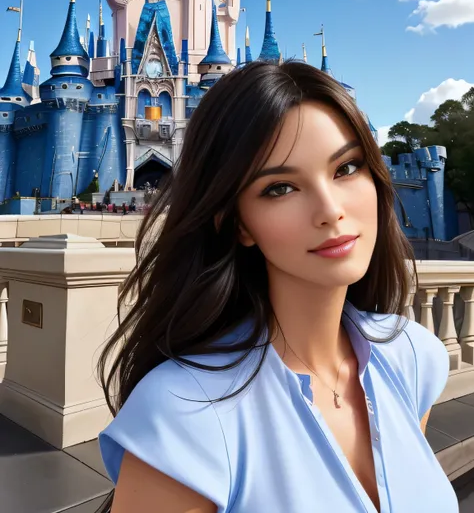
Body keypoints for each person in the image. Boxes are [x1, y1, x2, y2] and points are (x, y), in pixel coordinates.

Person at [97, 61, 457, 513]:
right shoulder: (184, 413)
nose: (330, 210)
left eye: (346, 168)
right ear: (238, 224)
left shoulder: (411, 358)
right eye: (281, 188)